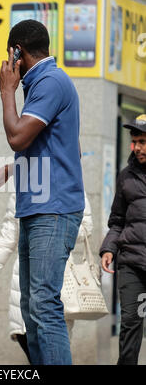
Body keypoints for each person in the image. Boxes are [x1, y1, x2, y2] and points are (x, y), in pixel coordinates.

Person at [0, 19, 85, 365]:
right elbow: (56, 150)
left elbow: (17, 137)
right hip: (38, 206)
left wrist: (6, 90)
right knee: (31, 307)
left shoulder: (50, 81)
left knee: (44, 305)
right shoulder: (41, 85)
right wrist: (4, 172)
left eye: (10, 54)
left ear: (17, 51)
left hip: (54, 209)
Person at [0, 191, 93, 364]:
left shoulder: (69, 182)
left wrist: (51, 231)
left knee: (52, 337)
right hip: (24, 276)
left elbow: (86, 226)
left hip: (57, 271)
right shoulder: (20, 188)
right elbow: (9, 235)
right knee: (28, 339)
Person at [100, 114, 146, 365]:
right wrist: (109, 248)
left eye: (142, 141)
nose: (137, 147)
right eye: (134, 141)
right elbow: (117, 220)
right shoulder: (126, 176)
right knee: (131, 323)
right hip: (132, 264)